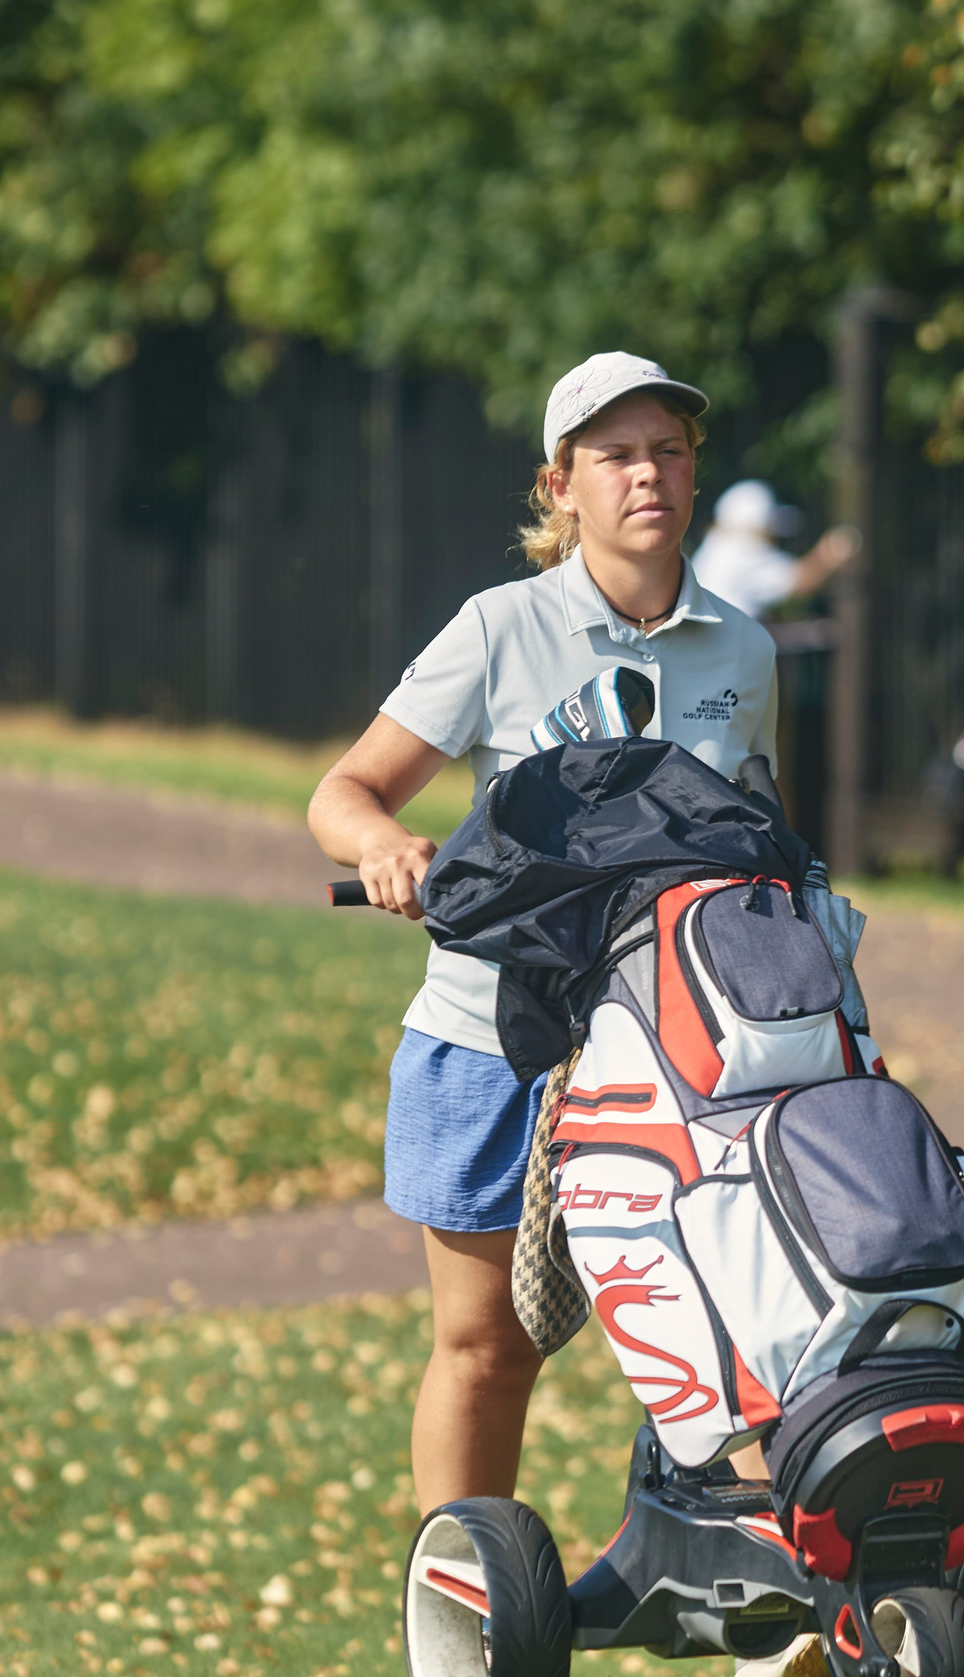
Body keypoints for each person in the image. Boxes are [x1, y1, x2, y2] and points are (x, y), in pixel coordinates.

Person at [306, 352, 781, 1517]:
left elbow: (765, 840)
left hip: (685, 1048)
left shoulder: (743, 649)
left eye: (666, 450)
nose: (647, 475)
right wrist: (385, 849)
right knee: (487, 1345)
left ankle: (780, 1604)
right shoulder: (498, 630)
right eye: (614, 455)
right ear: (559, 486)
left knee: (744, 1324)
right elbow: (345, 792)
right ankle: (466, 1616)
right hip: (493, 1041)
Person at [689, 478, 859, 620]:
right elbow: (799, 581)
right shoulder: (743, 551)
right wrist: (832, 550)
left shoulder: (713, 548)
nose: (774, 539)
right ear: (756, 528)